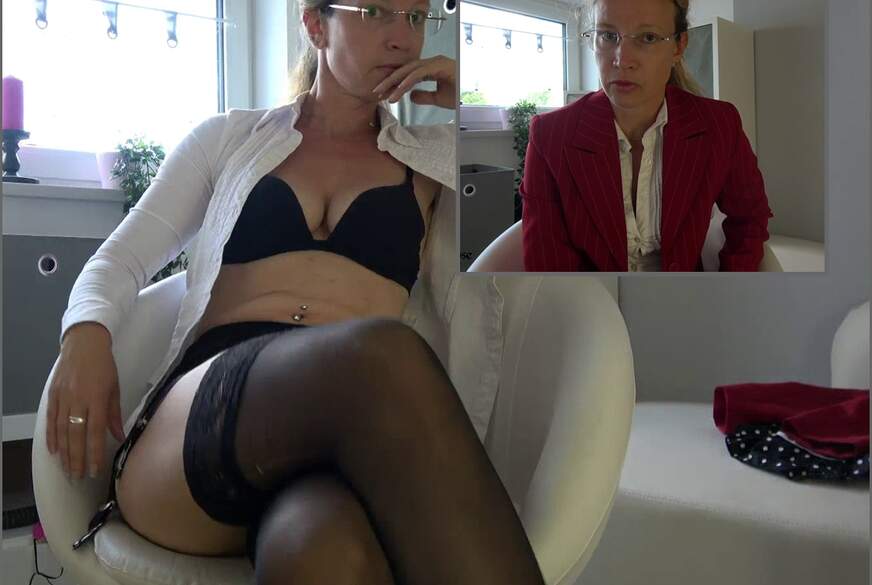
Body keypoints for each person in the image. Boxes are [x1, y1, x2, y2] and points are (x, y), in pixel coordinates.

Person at [46, 1, 547, 583]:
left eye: (416, 17)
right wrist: (85, 335)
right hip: (198, 436)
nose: (402, 38)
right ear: (314, 24)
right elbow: (120, 257)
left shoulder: (433, 160)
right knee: (381, 353)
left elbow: (548, 217)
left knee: (324, 548)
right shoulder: (228, 138)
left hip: (333, 457)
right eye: (378, 11)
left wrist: (466, 104)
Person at [520, 0, 774, 272]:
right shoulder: (550, 136)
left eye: (648, 37)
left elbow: (749, 217)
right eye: (608, 35)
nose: (622, 61)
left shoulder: (719, 125)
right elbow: (548, 265)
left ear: (678, 46)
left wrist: (728, 287)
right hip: (592, 294)